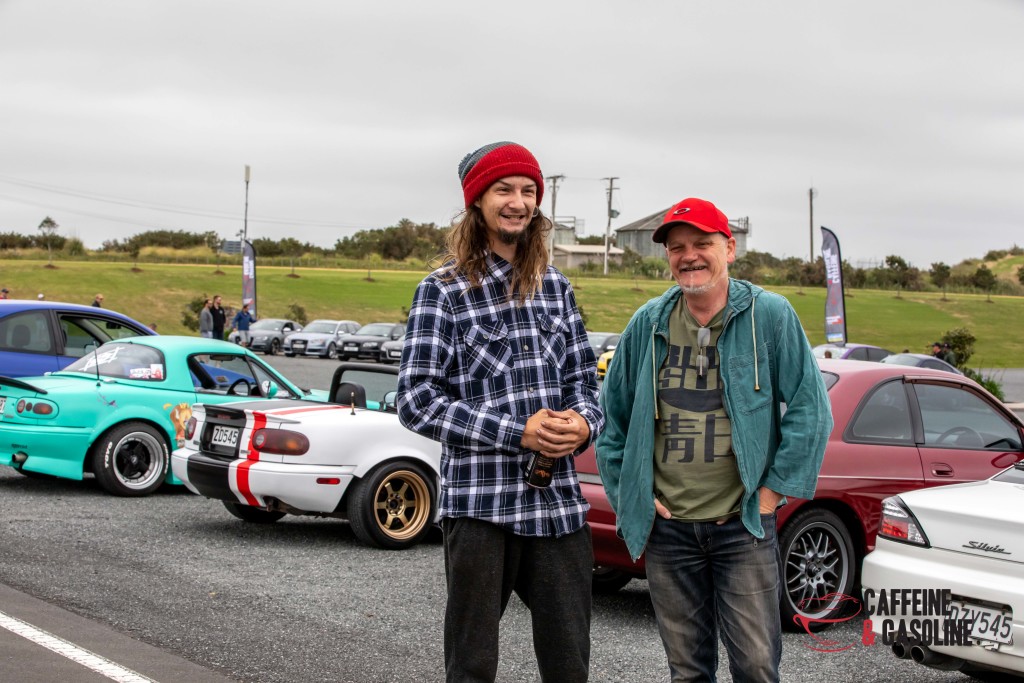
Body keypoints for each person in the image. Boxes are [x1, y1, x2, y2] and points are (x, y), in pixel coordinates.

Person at [596, 197, 833, 683]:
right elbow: (610, 422)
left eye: (701, 243)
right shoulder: (648, 323)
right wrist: (632, 497)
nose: (689, 256)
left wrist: (769, 496)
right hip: (668, 532)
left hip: (742, 528)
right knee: (687, 671)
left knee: (757, 667)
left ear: (729, 248)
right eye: (676, 247)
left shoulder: (769, 315)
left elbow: (811, 409)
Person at [397, 141, 603, 683]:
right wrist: (518, 433)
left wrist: (582, 423)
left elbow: (585, 384)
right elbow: (415, 401)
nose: (518, 202)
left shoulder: (555, 287)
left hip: (557, 505)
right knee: (472, 665)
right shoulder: (442, 291)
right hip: (481, 506)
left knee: (569, 664)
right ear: (477, 201)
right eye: (504, 190)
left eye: (528, 191)